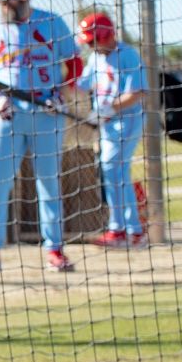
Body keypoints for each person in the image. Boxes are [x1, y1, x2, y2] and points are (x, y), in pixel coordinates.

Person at [0, 0, 80, 275]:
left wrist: (62, 93)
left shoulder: (51, 22)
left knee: (49, 182)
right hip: (9, 113)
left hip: (46, 111)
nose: (3, 1)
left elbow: (75, 63)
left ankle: (54, 250)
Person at [75, 13, 149, 246]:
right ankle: (124, 229)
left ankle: (130, 230)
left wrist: (109, 108)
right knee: (113, 172)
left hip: (127, 121)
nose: (90, 45)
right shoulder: (95, 59)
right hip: (106, 123)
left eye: (94, 40)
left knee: (114, 169)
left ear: (106, 35)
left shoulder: (127, 55)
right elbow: (80, 85)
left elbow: (137, 92)